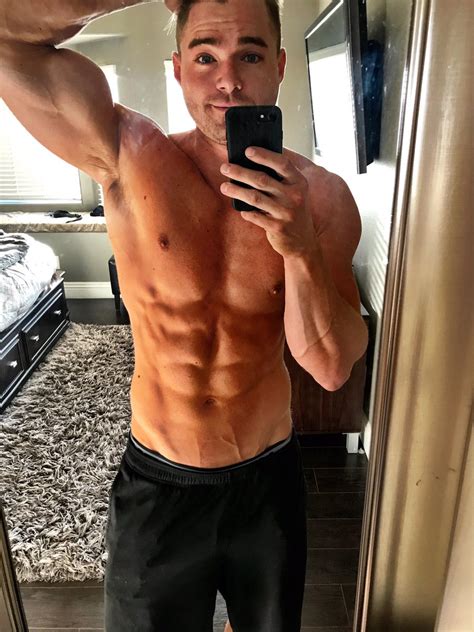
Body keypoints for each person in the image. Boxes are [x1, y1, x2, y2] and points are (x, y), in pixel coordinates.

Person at [0, 0, 369, 629]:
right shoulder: (126, 153)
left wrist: (300, 247)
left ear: (280, 66)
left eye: (249, 54)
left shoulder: (323, 199)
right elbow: (8, 36)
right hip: (158, 483)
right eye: (205, 56)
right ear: (177, 68)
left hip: (266, 486)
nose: (228, 81)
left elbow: (331, 369)